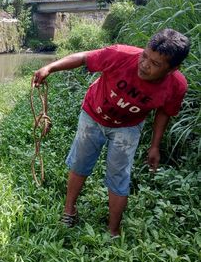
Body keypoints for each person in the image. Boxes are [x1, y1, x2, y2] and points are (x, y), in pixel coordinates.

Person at [33, 28, 190, 237]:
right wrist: (49, 68)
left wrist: (154, 146)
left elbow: (164, 113)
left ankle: (113, 229)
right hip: (93, 115)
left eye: (155, 64)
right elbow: (83, 58)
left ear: (172, 69)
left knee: (119, 175)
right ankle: (69, 209)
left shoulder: (176, 86)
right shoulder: (121, 55)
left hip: (128, 127)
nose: (144, 65)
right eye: (145, 56)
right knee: (80, 163)